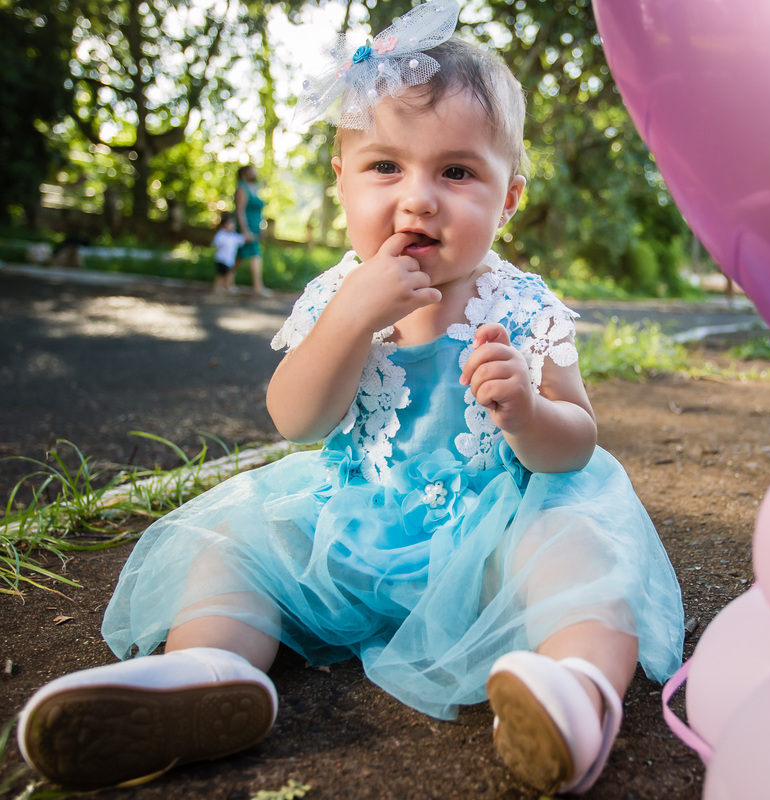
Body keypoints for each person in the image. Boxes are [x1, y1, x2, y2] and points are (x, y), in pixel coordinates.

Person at [16, 3, 684, 796]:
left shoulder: (523, 306)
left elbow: (577, 442)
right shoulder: (337, 294)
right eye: (385, 167)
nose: (419, 199)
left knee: (581, 544)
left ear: (508, 199)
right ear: (342, 179)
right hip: (351, 531)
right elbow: (295, 418)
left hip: (489, 551)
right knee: (233, 544)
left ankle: (573, 691)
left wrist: (530, 416)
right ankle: (205, 669)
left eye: (457, 172)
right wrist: (350, 319)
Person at [234, 163, 269, 295]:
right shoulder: (242, 189)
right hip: (246, 227)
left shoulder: (254, 188)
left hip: (255, 227)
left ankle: (225, 282)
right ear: (245, 174)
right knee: (254, 254)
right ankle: (258, 287)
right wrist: (244, 231)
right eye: (252, 171)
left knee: (239, 256)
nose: (255, 173)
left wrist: (262, 226)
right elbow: (240, 211)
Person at [212, 213, 245, 292]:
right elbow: (215, 244)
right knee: (222, 274)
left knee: (228, 273)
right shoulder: (221, 234)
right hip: (221, 259)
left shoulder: (234, 236)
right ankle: (219, 287)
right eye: (230, 223)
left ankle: (226, 286)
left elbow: (243, 239)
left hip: (229, 260)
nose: (232, 225)